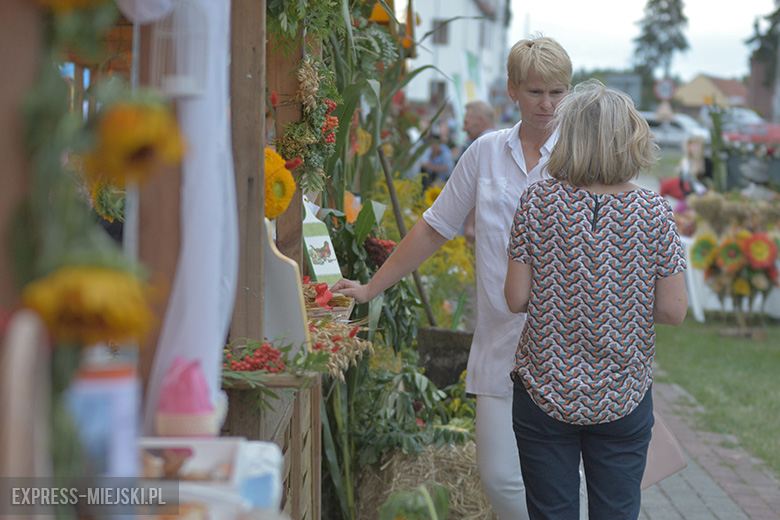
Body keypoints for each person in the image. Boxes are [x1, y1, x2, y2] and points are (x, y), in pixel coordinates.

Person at [333, 35, 573, 520]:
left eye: (557, 92)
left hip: (567, 343)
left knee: (562, 484)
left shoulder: (580, 157)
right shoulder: (485, 152)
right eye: (535, 92)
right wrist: (370, 287)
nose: (547, 105)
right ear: (511, 90)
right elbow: (435, 226)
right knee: (500, 477)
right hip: (499, 339)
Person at [504, 79, 688, 520]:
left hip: (544, 386)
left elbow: (515, 298)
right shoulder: (656, 212)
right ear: (631, 140)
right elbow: (673, 310)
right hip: (622, 394)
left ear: (567, 137)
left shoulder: (537, 201)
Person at [460, 100, 497, 241]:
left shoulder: (485, 145)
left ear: (480, 120)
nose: (464, 128)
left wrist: (470, 225)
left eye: (467, 122)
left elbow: (483, 187)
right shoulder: (496, 143)